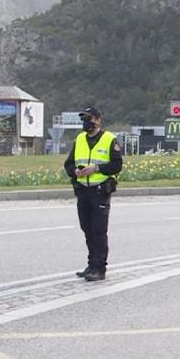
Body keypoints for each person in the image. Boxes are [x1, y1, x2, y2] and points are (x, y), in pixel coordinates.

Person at [64, 106, 123, 281]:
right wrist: (75, 171)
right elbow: (68, 163)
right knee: (87, 229)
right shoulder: (80, 139)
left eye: (88, 118)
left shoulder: (109, 139)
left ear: (98, 120)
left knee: (98, 230)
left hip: (100, 190)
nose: (85, 122)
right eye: (83, 119)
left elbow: (117, 165)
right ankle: (91, 265)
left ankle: (100, 268)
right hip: (83, 190)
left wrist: (96, 168)